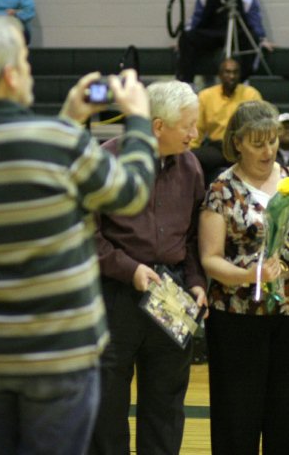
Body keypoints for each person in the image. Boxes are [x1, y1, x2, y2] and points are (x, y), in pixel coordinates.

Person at [0, 14, 158, 455]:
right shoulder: (56, 142)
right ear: (12, 75)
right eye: (26, 59)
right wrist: (139, 121)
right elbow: (132, 193)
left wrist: (70, 117)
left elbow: (29, 161)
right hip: (56, 356)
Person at [88, 80, 207, 455]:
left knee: (167, 404)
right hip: (114, 293)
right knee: (107, 403)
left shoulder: (191, 167)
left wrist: (196, 281)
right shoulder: (105, 161)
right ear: (157, 126)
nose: (194, 133)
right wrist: (129, 269)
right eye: (188, 125)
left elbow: (192, 237)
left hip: (171, 291)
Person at [199, 100, 289, 455]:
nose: (268, 151)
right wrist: (249, 275)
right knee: (237, 420)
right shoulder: (221, 189)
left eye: (273, 141)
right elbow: (209, 259)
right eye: (257, 143)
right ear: (237, 142)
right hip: (237, 318)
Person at [191, 58, 262, 182]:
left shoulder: (251, 94)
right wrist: (189, 151)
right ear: (220, 75)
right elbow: (198, 128)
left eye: (235, 72)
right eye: (227, 72)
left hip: (242, 146)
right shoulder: (206, 95)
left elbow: (261, 123)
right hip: (218, 147)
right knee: (191, 158)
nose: (232, 76)